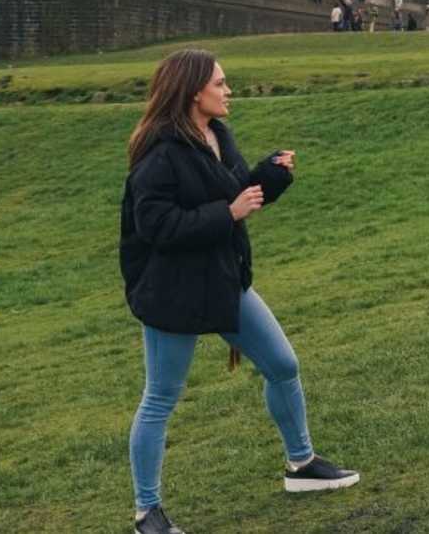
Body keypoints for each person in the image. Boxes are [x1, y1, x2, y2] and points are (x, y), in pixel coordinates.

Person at [120, 50, 359, 534]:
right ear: (193, 93)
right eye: (221, 84)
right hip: (174, 294)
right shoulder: (159, 153)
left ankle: (301, 465)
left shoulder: (216, 135)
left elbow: (233, 192)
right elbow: (156, 225)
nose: (229, 92)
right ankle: (148, 513)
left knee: (283, 365)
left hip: (225, 281)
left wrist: (270, 176)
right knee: (161, 398)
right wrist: (227, 214)